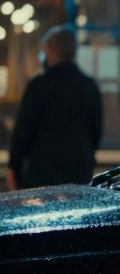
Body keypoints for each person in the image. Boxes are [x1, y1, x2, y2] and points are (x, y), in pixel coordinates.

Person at [6, 24, 102, 190]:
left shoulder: (39, 86)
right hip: (79, 171)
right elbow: (96, 131)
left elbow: (24, 129)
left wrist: (14, 165)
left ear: (50, 51)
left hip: (42, 171)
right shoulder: (88, 86)